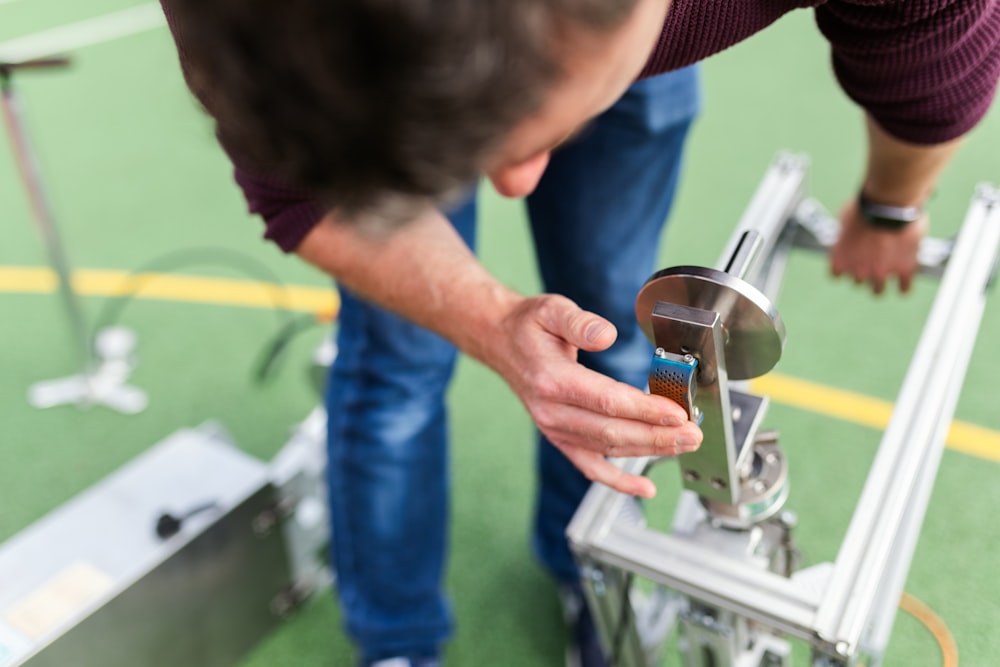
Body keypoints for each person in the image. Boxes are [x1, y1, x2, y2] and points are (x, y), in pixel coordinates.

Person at [159, 1, 999, 665]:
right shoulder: (255, 22)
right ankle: (397, 641)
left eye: (531, 136)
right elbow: (298, 190)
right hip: (386, 59)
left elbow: (931, 52)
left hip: (633, 61)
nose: (518, 181)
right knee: (394, 366)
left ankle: (588, 580)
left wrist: (894, 202)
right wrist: (483, 317)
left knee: (611, 332)